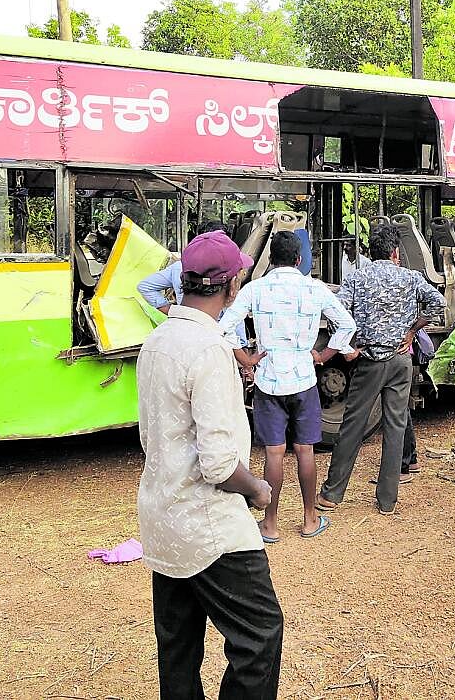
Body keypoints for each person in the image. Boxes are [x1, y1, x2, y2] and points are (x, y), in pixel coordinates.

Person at [136, 230, 283, 700]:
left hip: (163, 515)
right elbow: (219, 466)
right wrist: (257, 489)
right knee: (260, 635)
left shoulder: (157, 340)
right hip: (209, 525)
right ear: (232, 285)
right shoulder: (209, 348)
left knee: (178, 647)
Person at [219, 231, 358, 544]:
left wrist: (246, 359)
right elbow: (346, 324)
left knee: (274, 452)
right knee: (305, 450)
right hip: (304, 379)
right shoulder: (314, 288)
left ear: (271, 259)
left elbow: (223, 328)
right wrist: (323, 355)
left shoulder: (255, 289)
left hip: (269, 381)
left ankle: (270, 525)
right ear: (298, 259)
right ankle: (310, 519)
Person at [319, 224, 446, 515]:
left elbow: (336, 314)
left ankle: (332, 494)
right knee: (396, 426)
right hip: (401, 361)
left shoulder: (356, 278)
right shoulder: (411, 277)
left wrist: (348, 347)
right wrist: (412, 331)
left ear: (371, 251)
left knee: (352, 426)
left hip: (369, 360)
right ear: (395, 252)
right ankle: (387, 500)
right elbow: (438, 303)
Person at [138, 220, 228, 314]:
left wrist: (172, 312)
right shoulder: (231, 270)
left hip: (187, 319)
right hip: (216, 321)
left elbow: (145, 287)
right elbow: (145, 287)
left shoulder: (179, 267)